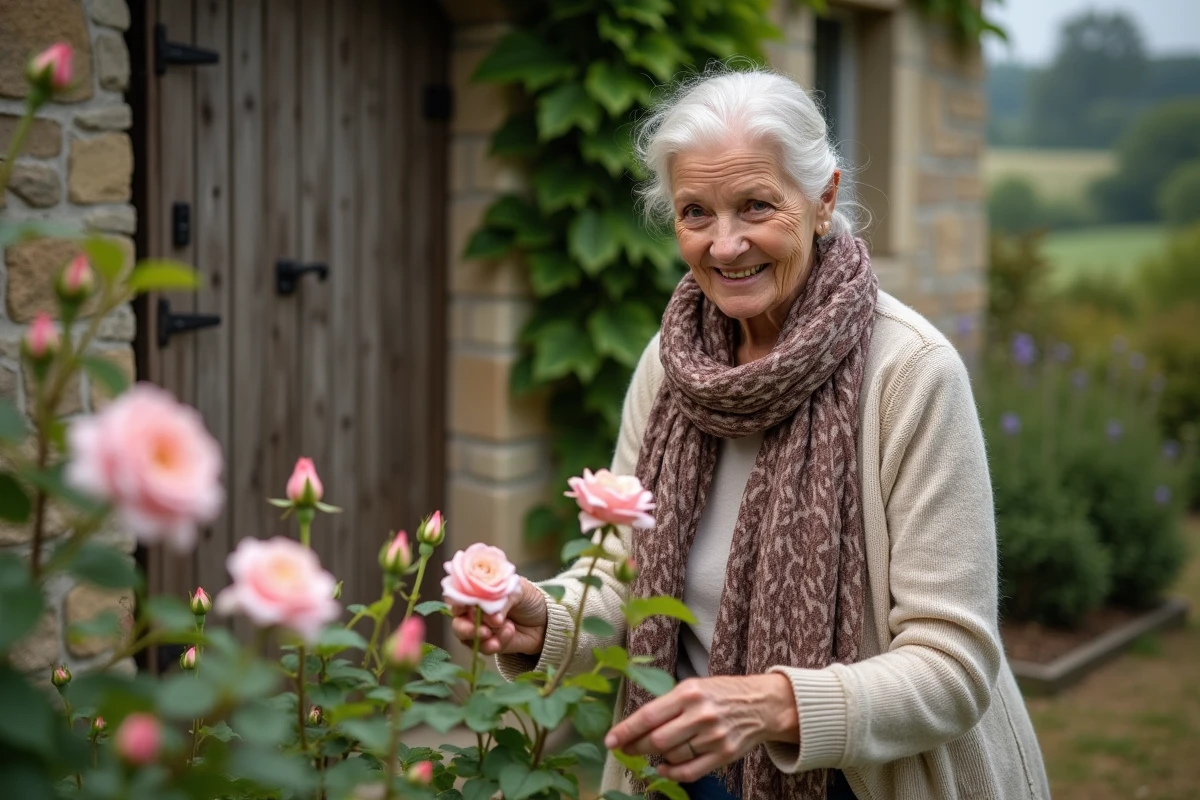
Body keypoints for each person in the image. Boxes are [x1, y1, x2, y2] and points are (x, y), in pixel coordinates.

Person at [446, 68, 1050, 800]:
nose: (725, 246)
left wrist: (767, 705)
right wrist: (543, 619)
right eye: (695, 212)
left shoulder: (911, 373)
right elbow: (627, 581)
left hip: (868, 780)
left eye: (756, 206)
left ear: (823, 199)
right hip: (692, 777)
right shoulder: (672, 365)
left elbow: (953, 667)